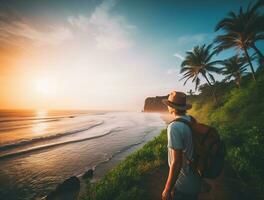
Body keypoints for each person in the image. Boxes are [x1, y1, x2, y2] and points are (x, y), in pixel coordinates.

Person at [161, 91, 202, 200]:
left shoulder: (174, 127)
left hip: (183, 186)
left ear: (172, 108)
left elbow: (177, 162)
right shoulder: (191, 120)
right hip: (195, 181)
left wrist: (167, 189)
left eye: (168, 106)